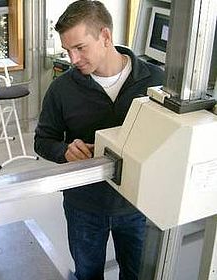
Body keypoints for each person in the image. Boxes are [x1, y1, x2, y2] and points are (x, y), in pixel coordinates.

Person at [34, 1, 164, 279]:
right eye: (67, 51)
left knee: (138, 274)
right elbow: (43, 140)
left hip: (138, 205)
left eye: (80, 48)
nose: (73, 59)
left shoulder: (155, 81)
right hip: (84, 205)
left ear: (105, 36)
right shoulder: (61, 89)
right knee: (88, 274)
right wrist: (64, 150)